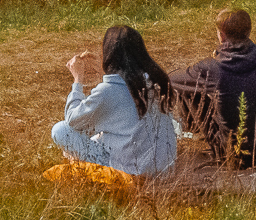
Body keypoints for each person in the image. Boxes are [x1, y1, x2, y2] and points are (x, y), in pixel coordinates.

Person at [172, 7, 256, 168]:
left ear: (221, 36)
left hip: (233, 154)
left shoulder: (212, 68)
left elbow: (172, 80)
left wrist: (214, 58)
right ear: (249, 31)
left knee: (188, 88)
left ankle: (195, 131)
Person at [50, 24, 179, 177]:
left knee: (60, 130)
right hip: (164, 168)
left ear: (108, 53)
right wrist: (103, 70)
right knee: (101, 134)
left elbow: (72, 120)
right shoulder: (155, 81)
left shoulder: (109, 90)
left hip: (132, 171)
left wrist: (77, 80)